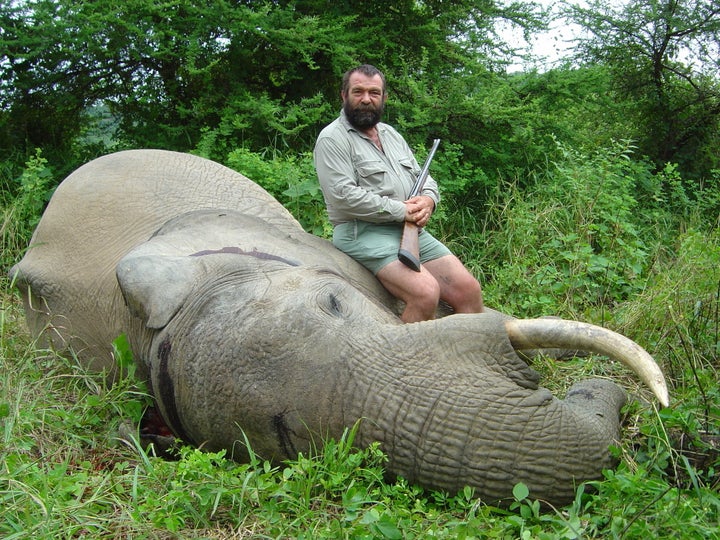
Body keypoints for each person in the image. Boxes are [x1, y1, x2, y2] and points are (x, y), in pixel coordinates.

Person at [314, 64, 483, 322]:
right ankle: (403, 361)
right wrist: (401, 210)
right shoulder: (332, 139)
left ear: (384, 98)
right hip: (363, 232)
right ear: (344, 95)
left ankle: (464, 359)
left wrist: (428, 200)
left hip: (409, 229)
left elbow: (423, 178)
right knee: (426, 293)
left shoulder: (391, 134)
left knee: (469, 291)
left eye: (374, 93)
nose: (366, 99)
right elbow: (343, 196)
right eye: (358, 92)